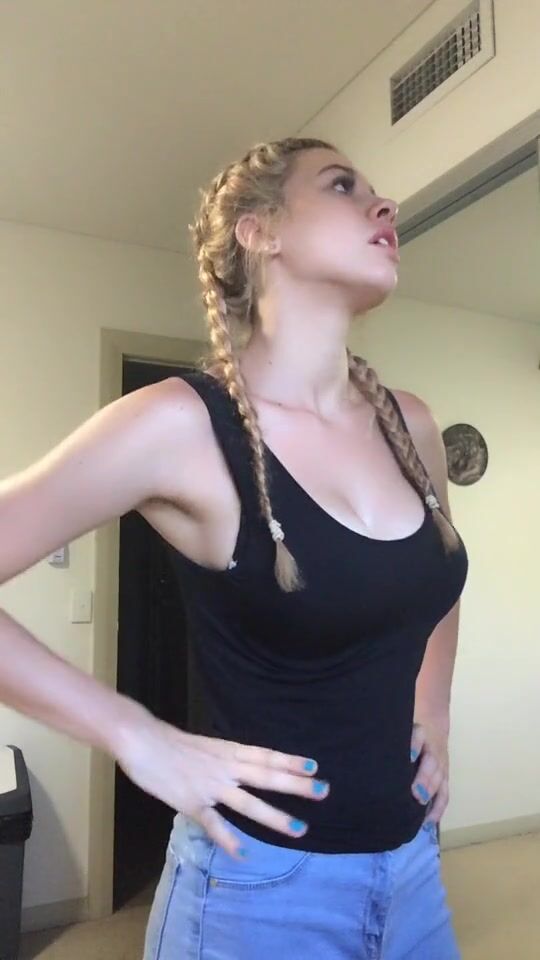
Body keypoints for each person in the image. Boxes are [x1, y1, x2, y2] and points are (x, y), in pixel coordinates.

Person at [0, 137, 468, 959]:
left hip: (413, 870)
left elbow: (439, 573)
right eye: (341, 185)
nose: (384, 204)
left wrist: (434, 702)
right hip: (257, 894)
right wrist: (133, 733)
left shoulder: (413, 424)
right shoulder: (180, 423)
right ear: (260, 230)